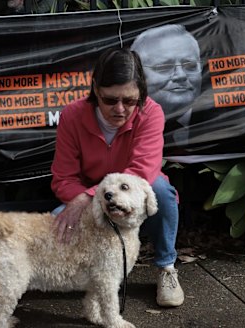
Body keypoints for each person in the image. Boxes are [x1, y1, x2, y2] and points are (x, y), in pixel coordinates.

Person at [50, 48, 185, 307]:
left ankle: (166, 267)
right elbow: (63, 177)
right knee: (58, 222)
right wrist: (84, 199)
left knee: (159, 189)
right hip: (91, 196)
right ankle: (91, 273)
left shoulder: (151, 113)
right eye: (110, 100)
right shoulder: (73, 115)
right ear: (95, 90)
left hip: (125, 193)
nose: (120, 109)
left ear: (141, 95)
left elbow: (143, 172)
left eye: (130, 101)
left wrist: (89, 197)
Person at [131, 24, 202, 149]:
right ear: (138, 74)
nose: (180, 75)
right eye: (164, 67)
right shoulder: (120, 123)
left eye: (190, 66)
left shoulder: (230, 122)